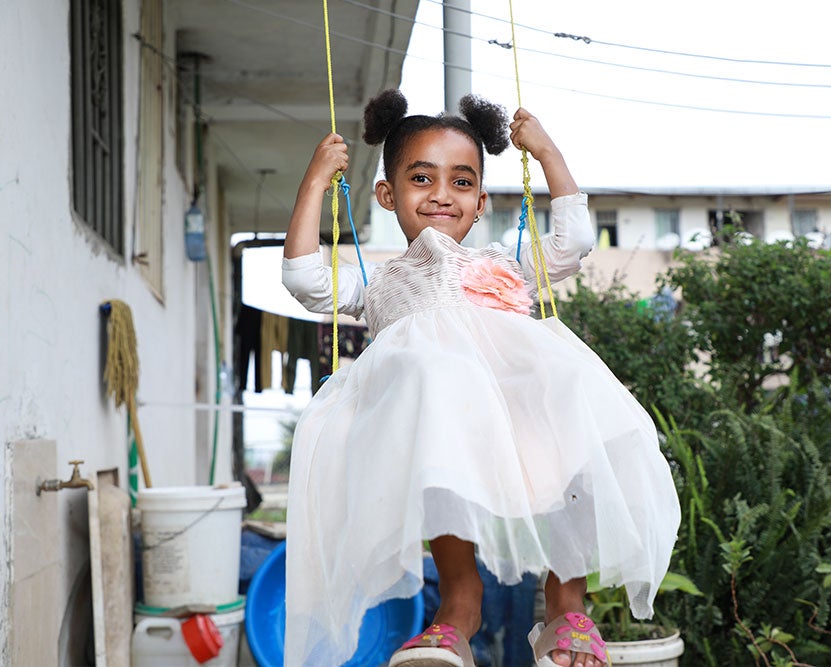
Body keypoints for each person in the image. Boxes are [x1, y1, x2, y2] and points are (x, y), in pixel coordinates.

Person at [281, 89, 680, 667]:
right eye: (423, 178)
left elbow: (573, 243)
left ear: (481, 197)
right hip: (443, 423)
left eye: (461, 182)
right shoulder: (379, 282)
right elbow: (302, 278)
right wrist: (316, 182)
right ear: (387, 194)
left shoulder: (504, 262)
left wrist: (546, 153)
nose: (443, 194)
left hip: (518, 411)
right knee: (438, 434)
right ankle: (459, 609)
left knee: (571, 404)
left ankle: (566, 607)